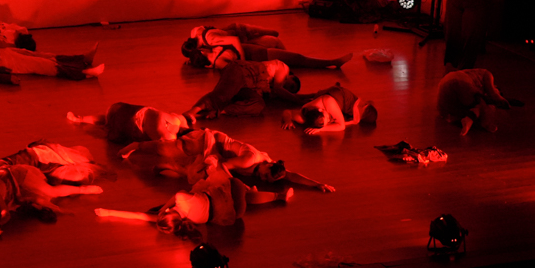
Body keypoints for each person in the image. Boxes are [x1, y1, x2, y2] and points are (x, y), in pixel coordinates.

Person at [94, 156, 290, 239]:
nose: (165, 211)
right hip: (228, 198)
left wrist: (108, 213)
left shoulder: (185, 222)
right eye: (166, 212)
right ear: (169, 213)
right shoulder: (181, 199)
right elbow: (174, 198)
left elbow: (139, 216)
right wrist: (162, 209)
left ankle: (274, 195)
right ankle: (278, 195)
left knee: (242, 196)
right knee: (230, 184)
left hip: (233, 215)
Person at [117, 128, 335, 193]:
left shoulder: (270, 165)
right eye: (265, 177)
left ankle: (168, 165)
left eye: (267, 180)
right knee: (169, 149)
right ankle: (137, 145)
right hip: (209, 141)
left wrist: (317, 184)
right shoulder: (249, 160)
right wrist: (242, 187)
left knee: (194, 172)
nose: (263, 180)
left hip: (217, 151)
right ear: (267, 166)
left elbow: (291, 175)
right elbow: (224, 166)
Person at [0, 164, 103, 237]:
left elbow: (5, 212)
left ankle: (83, 189)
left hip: (18, 176)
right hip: (11, 189)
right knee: (39, 199)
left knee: (51, 192)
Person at [187, 59, 313, 120]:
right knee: (221, 96)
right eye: (291, 85)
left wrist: (307, 97)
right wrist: (298, 100)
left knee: (258, 104)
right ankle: (192, 112)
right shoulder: (283, 68)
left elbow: (281, 92)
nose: (288, 89)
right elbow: (279, 89)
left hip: (248, 85)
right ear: (291, 76)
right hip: (241, 72)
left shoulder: (271, 87)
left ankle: (220, 111)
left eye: (291, 90)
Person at [182, 26, 352, 70]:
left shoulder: (213, 51)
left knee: (296, 58)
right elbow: (237, 67)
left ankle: (331, 62)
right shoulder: (217, 60)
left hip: (259, 51)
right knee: (299, 59)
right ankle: (332, 62)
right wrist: (243, 58)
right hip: (262, 55)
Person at [0, 141, 113, 189]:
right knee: (78, 177)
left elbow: (5, 169)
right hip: (41, 170)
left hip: (39, 155)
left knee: (83, 160)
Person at [437, 68, 517, 135]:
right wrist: (501, 100)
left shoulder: (475, 79)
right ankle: (479, 121)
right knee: (480, 104)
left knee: (465, 109)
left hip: (445, 89)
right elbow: (493, 94)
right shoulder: (487, 75)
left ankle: (469, 117)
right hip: (459, 81)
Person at [67, 102, 191, 144]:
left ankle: (80, 119)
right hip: (135, 122)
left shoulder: (178, 120)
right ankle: (80, 119)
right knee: (107, 122)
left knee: (107, 120)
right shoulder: (170, 138)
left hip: (136, 115)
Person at [281, 83, 377, 134]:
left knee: (365, 116)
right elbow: (288, 112)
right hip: (328, 98)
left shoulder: (329, 103)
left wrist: (322, 129)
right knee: (350, 119)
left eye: (328, 118)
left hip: (340, 96)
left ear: (322, 110)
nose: (330, 120)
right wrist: (288, 120)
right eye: (327, 121)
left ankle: (366, 105)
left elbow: (341, 126)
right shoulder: (303, 117)